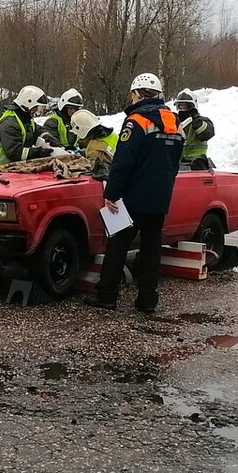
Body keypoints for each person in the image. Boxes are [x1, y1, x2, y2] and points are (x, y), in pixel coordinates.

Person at [87, 72, 184, 314]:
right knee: (152, 248)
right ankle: (148, 299)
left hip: (134, 196)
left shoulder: (136, 121)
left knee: (117, 245)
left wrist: (111, 193)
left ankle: (107, 295)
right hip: (160, 197)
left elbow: (123, 162)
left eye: (132, 94)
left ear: (138, 94)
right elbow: (175, 161)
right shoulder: (174, 121)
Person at [0, 85, 59, 164]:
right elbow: (15, 153)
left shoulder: (25, 119)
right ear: (28, 103)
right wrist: (38, 153)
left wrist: (47, 136)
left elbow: (35, 130)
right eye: (38, 108)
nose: (39, 112)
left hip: (13, 165)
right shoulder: (10, 124)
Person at [174, 88, 216, 170]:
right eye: (180, 105)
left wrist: (197, 122)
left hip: (198, 164)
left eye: (186, 106)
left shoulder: (203, 121)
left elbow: (207, 134)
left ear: (193, 106)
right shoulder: (175, 121)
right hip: (177, 163)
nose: (183, 108)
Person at [69, 109, 118, 175]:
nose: (78, 141)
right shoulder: (111, 135)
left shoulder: (94, 152)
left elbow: (91, 171)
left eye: (78, 135)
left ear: (82, 132)